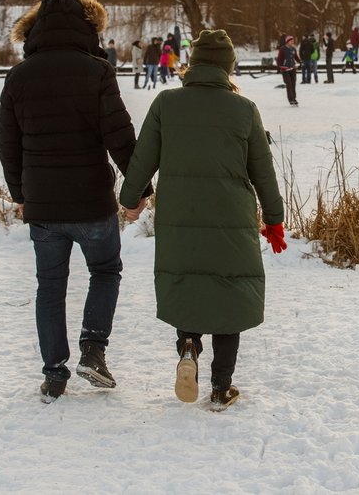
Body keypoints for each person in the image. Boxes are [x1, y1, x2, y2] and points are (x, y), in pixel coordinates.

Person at [117, 29, 286, 409]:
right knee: (229, 297)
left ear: (192, 64)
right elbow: (263, 172)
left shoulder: (166, 103)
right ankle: (221, 387)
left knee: (188, 285)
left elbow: (142, 159)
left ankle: (189, 348)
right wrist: (274, 219)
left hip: (180, 216)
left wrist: (130, 201)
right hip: (231, 220)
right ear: (228, 68)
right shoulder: (244, 110)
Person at [0, 0, 153, 402]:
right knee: (105, 271)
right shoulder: (97, 72)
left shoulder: (19, 76)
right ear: (89, 28)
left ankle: (53, 373)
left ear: (33, 30)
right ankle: (92, 349)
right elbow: (119, 136)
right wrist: (138, 190)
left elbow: (8, 146)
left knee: (49, 286)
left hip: (44, 205)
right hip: (90, 200)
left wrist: (21, 194)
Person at [277, 35, 299, 105]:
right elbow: (279, 60)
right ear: (287, 41)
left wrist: (300, 62)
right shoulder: (282, 49)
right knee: (289, 84)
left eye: (293, 40)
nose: (292, 42)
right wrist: (281, 67)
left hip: (292, 69)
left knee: (293, 84)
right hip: (285, 70)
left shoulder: (293, 49)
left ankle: (294, 98)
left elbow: (296, 57)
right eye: (291, 40)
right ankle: (291, 99)